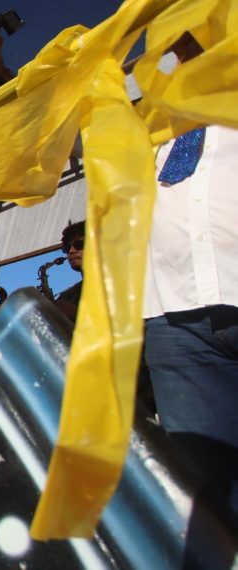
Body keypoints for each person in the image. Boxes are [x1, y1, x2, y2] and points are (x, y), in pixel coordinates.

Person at [143, 122, 238, 518]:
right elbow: (71, 136)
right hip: (173, 317)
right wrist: (1, 79)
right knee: (205, 490)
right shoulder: (150, 127)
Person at [55, 220, 85, 320]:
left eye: (79, 245)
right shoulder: (67, 296)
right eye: (67, 248)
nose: (71, 251)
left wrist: (76, 314)